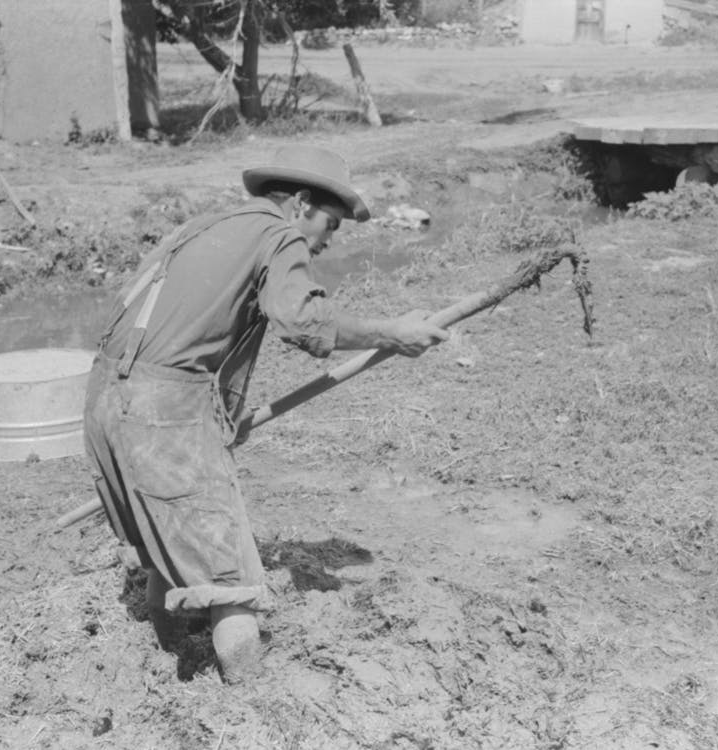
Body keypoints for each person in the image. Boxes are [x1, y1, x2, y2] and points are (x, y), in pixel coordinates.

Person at [83, 144, 448, 684]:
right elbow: (303, 319)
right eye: (330, 225)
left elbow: (171, 329)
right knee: (233, 579)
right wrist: (391, 330)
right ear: (300, 204)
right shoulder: (279, 235)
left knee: (168, 539)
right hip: (160, 409)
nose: (325, 242)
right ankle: (253, 710)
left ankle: (167, 664)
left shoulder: (211, 224)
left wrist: (214, 416)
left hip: (105, 396)